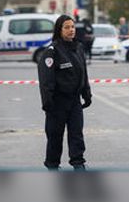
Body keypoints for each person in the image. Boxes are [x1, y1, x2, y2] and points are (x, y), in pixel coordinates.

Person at [38, 15, 92, 170]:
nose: (71, 30)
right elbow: (46, 80)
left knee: (76, 134)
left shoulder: (78, 48)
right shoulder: (52, 52)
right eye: (67, 27)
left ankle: (78, 163)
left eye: (73, 27)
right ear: (59, 30)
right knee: (55, 136)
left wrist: (86, 94)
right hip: (57, 102)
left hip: (74, 101)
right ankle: (52, 165)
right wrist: (47, 102)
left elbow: (83, 73)